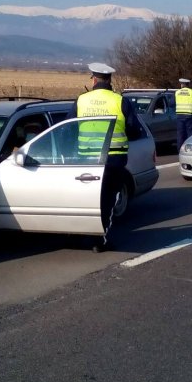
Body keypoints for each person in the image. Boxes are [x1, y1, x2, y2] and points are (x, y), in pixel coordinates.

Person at [68, 62, 143, 252]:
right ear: (110, 79)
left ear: (93, 79)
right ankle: (100, 240)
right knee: (108, 200)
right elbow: (134, 130)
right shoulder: (120, 101)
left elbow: (68, 127)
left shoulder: (82, 100)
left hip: (86, 159)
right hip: (113, 160)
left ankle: (85, 237)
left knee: (87, 200)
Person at [175, 77, 192, 149]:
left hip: (179, 117)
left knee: (180, 135)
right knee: (191, 135)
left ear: (181, 85)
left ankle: (180, 151)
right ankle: (191, 150)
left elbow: (172, 103)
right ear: (188, 84)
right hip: (189, 117)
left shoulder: (177, 93)